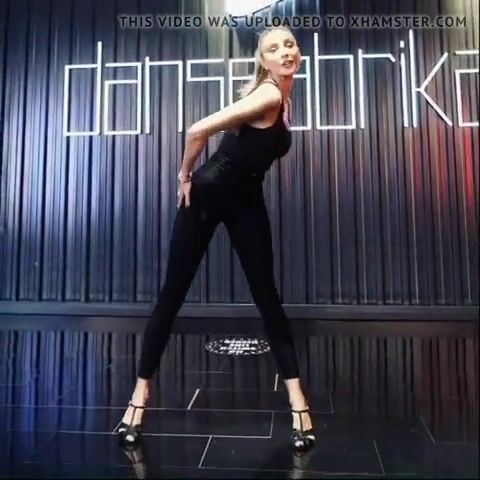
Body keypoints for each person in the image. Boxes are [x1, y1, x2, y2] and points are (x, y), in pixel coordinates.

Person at [117, 26, 315, 453]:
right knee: (172, 295)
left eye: (289, 44)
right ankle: (139, 396)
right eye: (274, 48)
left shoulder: (283, 97)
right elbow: (196, 131)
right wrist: (184, 175)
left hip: (246, 200)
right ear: (262, 60)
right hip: (208, 196)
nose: (285, 52)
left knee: (267, 297)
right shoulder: (268, 96)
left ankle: (299, 404)